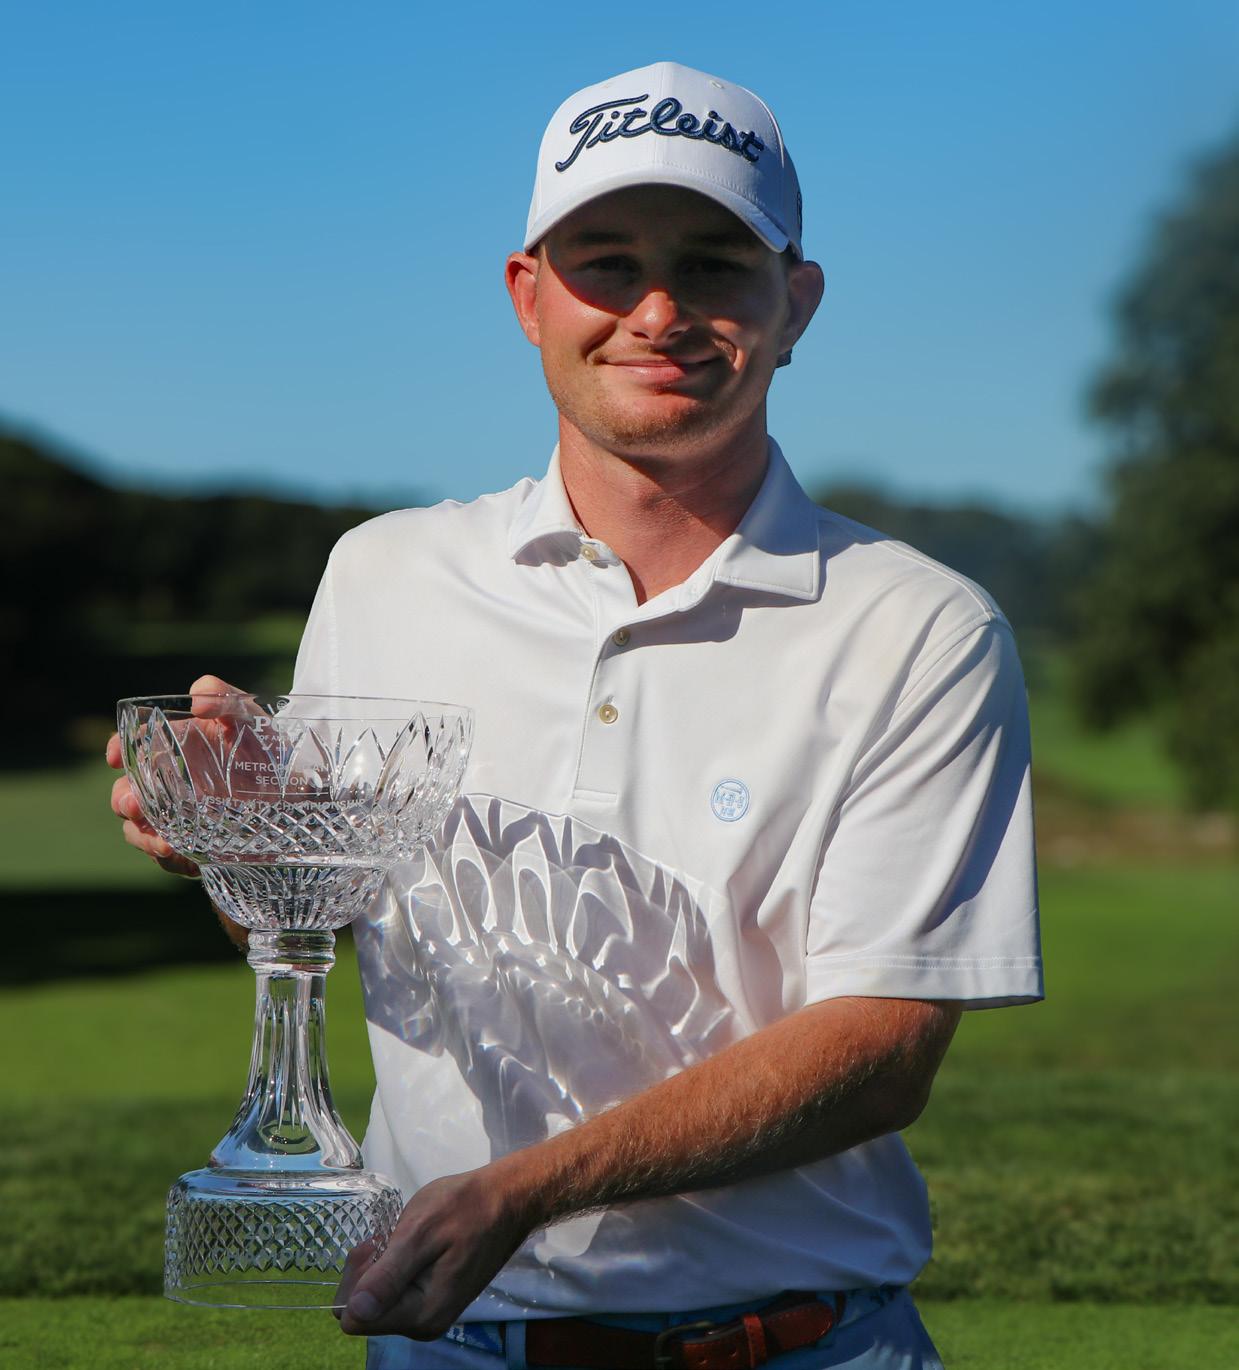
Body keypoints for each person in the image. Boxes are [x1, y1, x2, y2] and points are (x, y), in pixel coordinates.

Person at [109, 61, 1042, 1370]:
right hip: (449, 1346)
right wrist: (243, 846)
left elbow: (881, 1050)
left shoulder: (919, 625)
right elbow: (312, 924)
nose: (658, 312)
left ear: (797, 303)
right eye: (607, 264)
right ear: (527, 295)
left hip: (795, 1345)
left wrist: (523, 1192)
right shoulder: (382, 575)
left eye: (714, 265)